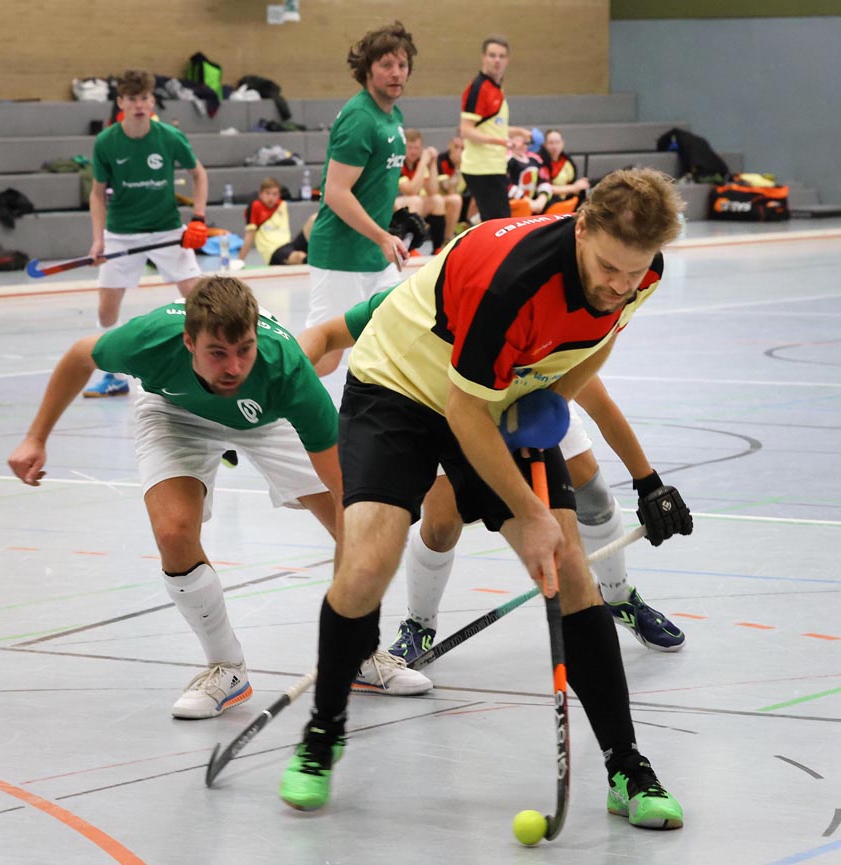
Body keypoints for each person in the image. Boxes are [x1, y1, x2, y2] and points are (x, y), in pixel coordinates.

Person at [278, 169, 692, 831]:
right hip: (402, 387)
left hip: (498, 394)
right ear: (580, 227)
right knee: (364, 567)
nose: (619, 284)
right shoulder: (517, 281)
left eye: (632, 272)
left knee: (575, 576)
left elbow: (598, 339)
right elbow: (460, 410)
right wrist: (529, 517)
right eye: (608, 267)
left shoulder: (642, 273)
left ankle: (626, 764)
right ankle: (323, 732)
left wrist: (550, 400)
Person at [7, 275, 429, 718]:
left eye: (244, 349)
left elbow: (351, 502)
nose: (233, 367)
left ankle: (361, 657)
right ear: (189, 342)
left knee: (349, 520)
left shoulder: (286, 371)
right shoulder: (148, 340)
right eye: (217, 353)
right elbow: (80, 356)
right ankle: (226, 668)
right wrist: (35, 438)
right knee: (173, 532)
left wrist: (350, 626)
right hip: (176, 412)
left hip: (268, 417)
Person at [296, 295, 687, 658]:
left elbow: (602, 407)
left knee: (593, 494)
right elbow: (329, 333)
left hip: (529, 402)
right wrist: (286, 381)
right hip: (439, 406)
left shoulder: (542, 323)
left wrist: (649, 482)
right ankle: (420, 623)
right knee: (443, 523)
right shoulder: (413, 301)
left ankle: (618, 596)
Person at [82, 69, 210, 399]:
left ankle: (199, 369)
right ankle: (114, 378)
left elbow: (199, 175)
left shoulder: (168, 136)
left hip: (167, 229)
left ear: (152, 101)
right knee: (106, 311)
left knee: (199, 300)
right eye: (132, 99)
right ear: (121, 102)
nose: (139, 105)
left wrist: (197, 218)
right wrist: (98, 239)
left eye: (144, 99)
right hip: (122, 233)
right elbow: (97, 194)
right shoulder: (106, 142)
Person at [305, 21, 417, 377]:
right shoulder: (360, 117)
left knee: (400, 331)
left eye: (402, 65)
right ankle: (260, 400)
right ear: (368, 69)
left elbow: (373, 184)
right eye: (386, 65)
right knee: (324, 354)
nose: (396, 73)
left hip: (373, 256)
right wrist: (382, 235)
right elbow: (336, 193)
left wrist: (391, 221)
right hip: (341, 255)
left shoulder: (392, 117)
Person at [459, 36, 530, 221]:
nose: (497, 60)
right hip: (482, 168)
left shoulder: (497, 88)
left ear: (507, 60)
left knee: (495, 222)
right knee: (499, 223)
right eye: (492, 55)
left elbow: (493, 127)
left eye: (501, 56)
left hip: (494, 166)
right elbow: (466, 130)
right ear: (484, 57)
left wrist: (518, 132)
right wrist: (503, 142)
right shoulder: (478, 88)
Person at [393, 128, 459, 252]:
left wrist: (432, 163)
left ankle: (441, 246)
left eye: (417, 148)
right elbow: (410, 190)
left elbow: (433, 190)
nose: (413, 152)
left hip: (417, 206)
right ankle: (408, 247)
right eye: (410, 148)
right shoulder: (398, 162)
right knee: (415, 200)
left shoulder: (420, 162)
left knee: (438, 200)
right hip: (396, 208)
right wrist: (423, 163)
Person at [236, 177, 316, 266]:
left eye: (274, 194)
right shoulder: (255, 207)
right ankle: (316, 260)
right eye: (267, 193)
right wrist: (240, 261)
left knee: (315, 218)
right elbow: (249, 236)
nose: (271, 197)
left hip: (290, 246)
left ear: (279, 195)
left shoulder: (282, 205)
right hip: (274, 253)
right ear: (260, 194)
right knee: (299, 256)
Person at [537, 128, 590, 213]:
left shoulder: (567, 161)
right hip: (550, 201)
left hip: (566, 199)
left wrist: (579, 186)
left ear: (562, 143)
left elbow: (572, 181)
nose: (555, 146)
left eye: (558, 142)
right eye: (551, 143)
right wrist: (573, 188)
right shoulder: (539, 161)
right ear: (545, 144)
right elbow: (544, 187)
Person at [506, 129, 551, 217]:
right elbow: (505, 184)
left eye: (524, 142)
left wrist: (542, 199)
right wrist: (527, 201)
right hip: (512, 206)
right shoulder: (506, 159)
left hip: (534, 205)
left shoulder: (536, 159)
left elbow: (544, 180)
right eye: (517, 141)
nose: (521, 145)